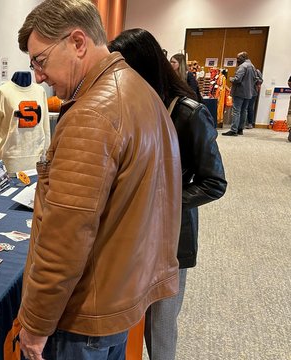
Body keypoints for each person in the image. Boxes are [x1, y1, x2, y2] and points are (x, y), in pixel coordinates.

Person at [16, 1, 182, 359]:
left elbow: (65, 239)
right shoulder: (140, 91)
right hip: (117, 297)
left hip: (82, 316)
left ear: (77, 42)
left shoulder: (92, 113)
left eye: (40, 61)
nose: (38, 76)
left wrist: (36, 324)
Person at [109, 28, 227, 360]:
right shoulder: (132, 104)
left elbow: (214, 183)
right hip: (132, 235)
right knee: (127, 320)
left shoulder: (189, 112)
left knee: (159, 330)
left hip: (172, 239)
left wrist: (160, 201)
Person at [222, 52, 257, 136]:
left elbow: (237, 79)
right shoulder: (252, 66)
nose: (237, 60)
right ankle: (240, 129)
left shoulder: (242, 66)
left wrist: (230, 79)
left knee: (236, 111)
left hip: (239, 92)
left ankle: (233, 130)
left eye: (238, 58)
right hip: (249, 92)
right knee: (244, 111)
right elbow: (256, 79)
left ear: (242, 58)